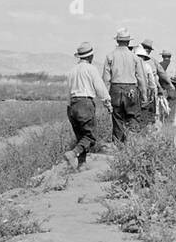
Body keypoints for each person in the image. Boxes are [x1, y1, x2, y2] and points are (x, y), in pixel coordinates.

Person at [64, 42, 111, 170]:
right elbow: (100, 87)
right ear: (91, 56)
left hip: (72, 105)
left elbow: (68, 92)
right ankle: (73, 154)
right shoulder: (91, 69)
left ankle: (81, 164)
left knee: (81, 137)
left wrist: (69, 107)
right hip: (85, 103)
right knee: (90, 137)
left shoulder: (72, 71)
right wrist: (107, 102)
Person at [101, 27, 149, 142]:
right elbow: (141, 79)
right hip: (131, 90)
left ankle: (118, 145)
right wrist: (144, 95)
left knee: (117, 118)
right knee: (133, 118)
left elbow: (106, 79)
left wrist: (106, 98)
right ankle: (131, 144)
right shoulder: (135, 58)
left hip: (115, 90)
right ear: (128, 42)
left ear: (117, 41)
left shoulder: (110, 56)